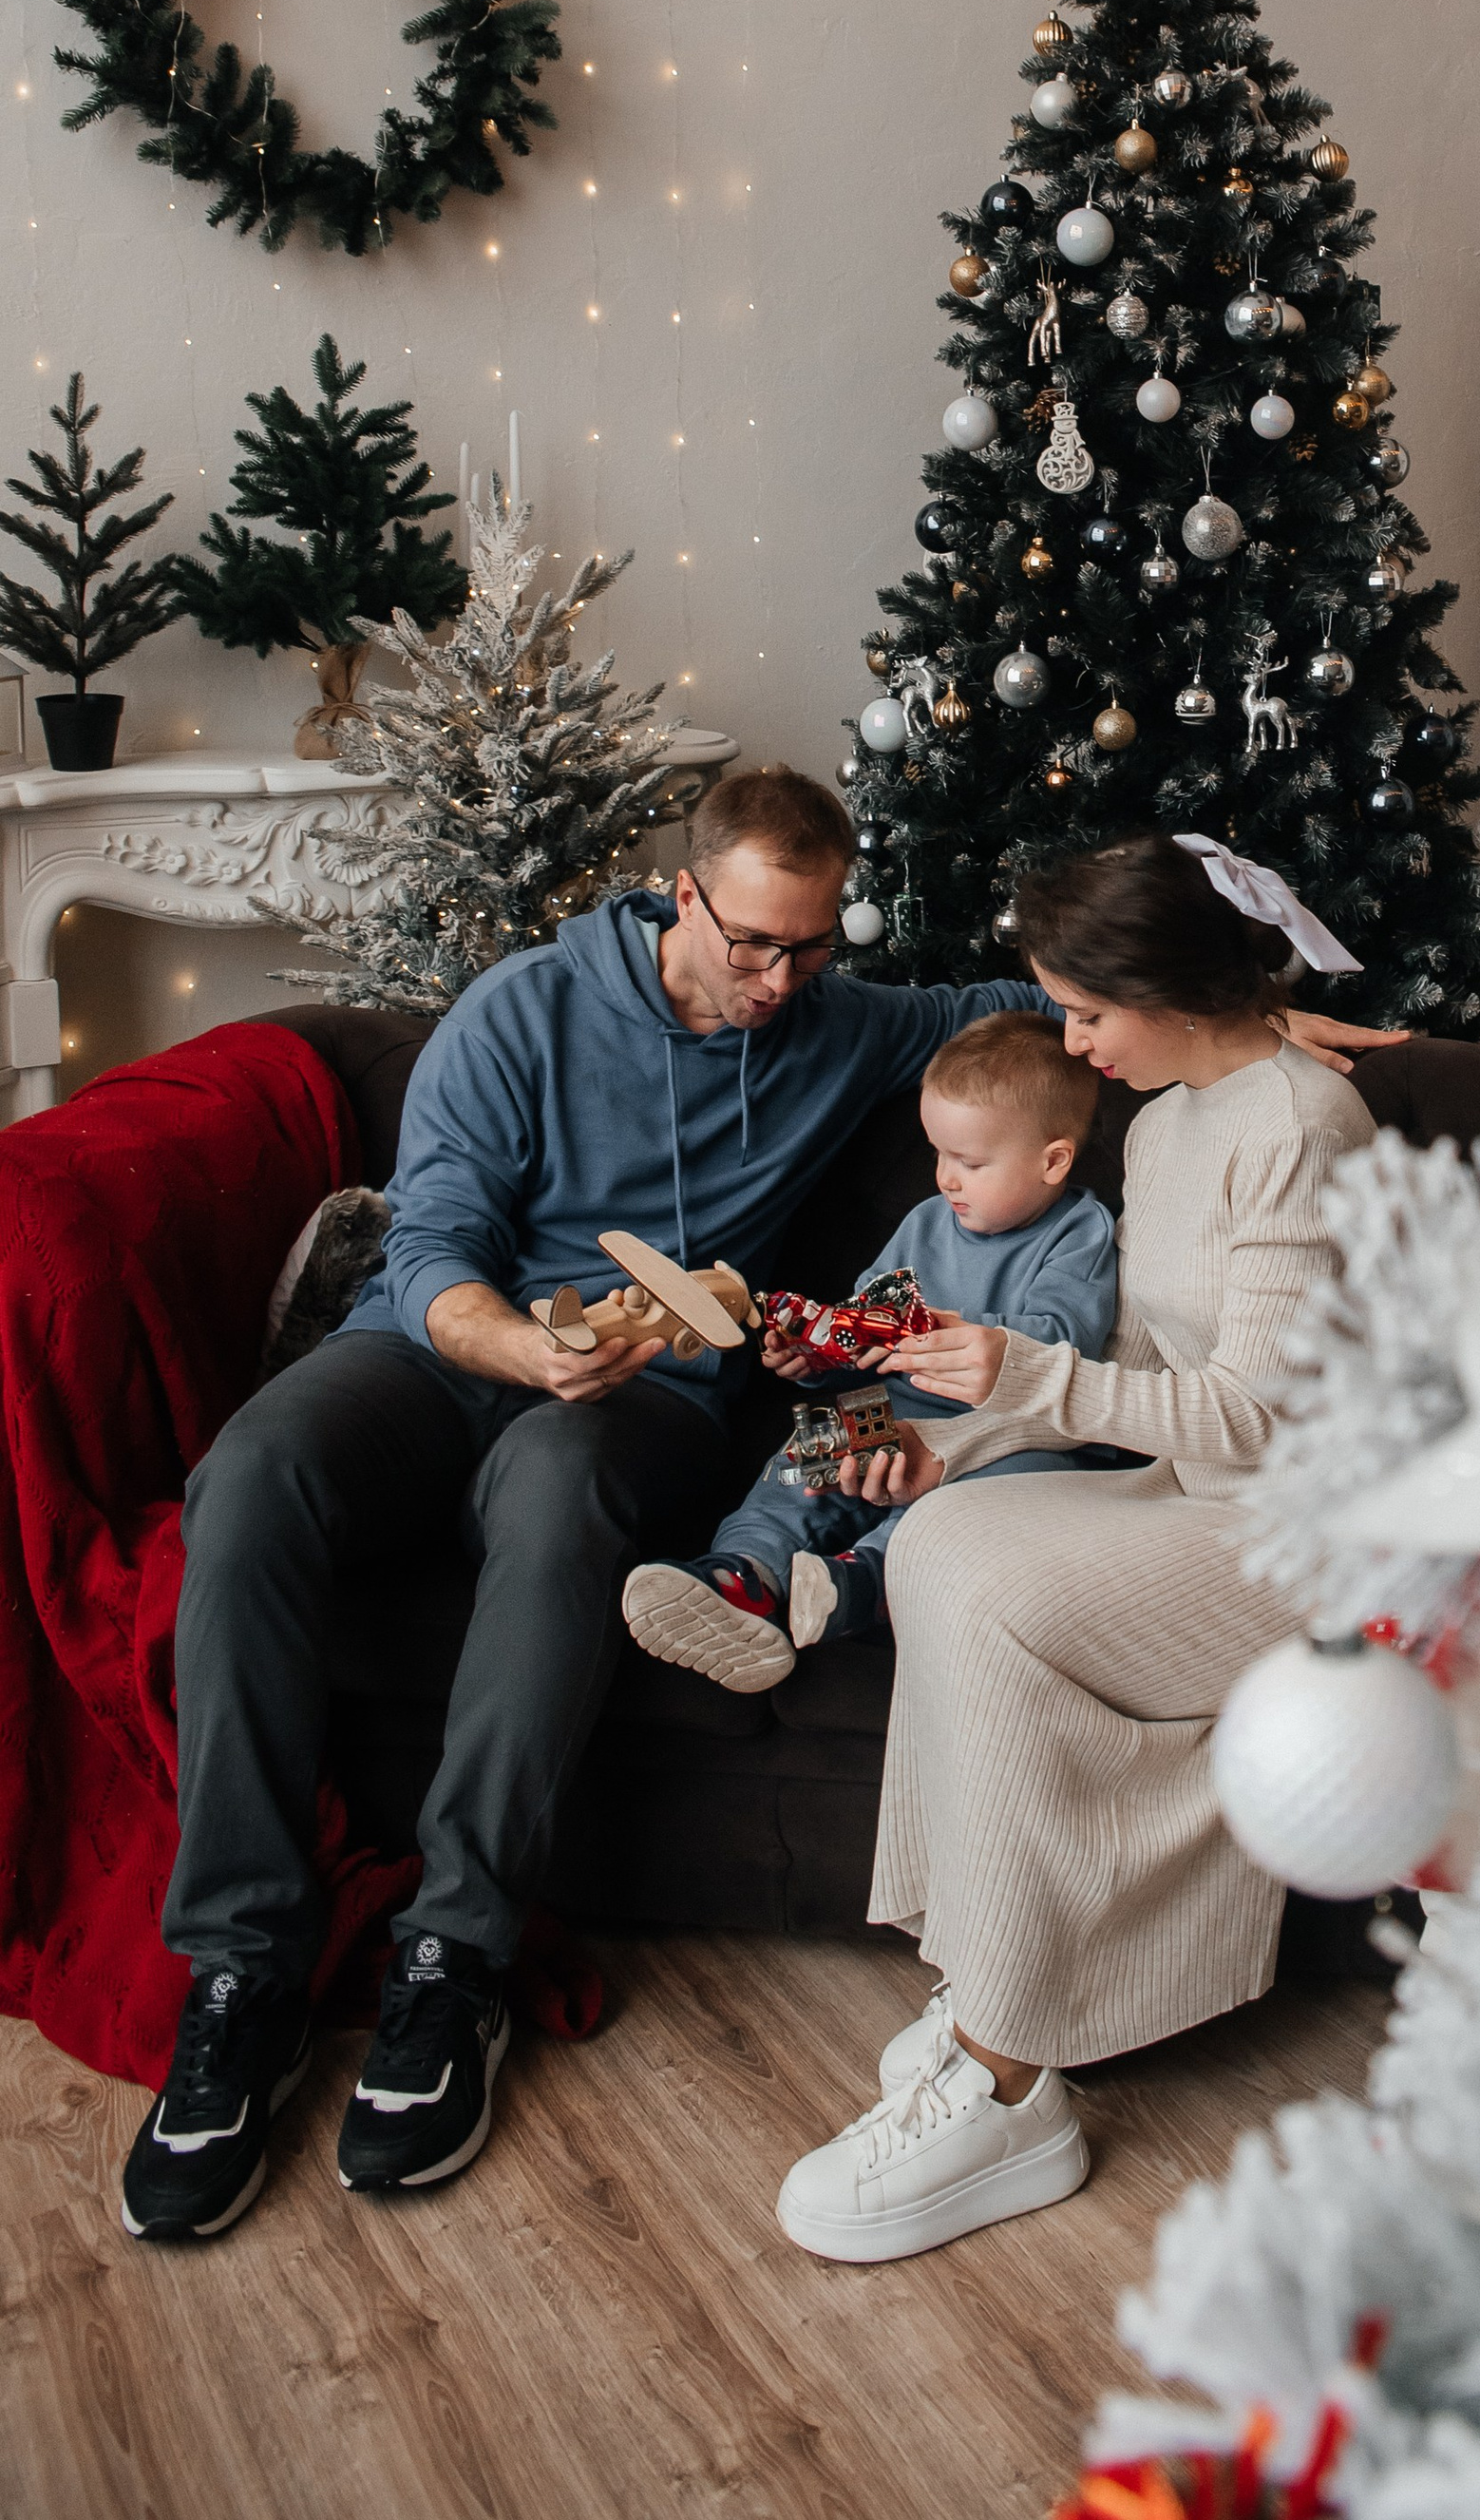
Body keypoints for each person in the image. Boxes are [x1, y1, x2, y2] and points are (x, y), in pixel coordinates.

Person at [117, 764, 1051, 2243]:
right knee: (252, 1473)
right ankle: (242, 1968)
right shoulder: (524, 1010)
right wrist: (517, 1342)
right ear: (683, 894)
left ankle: (453, 1961)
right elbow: (427, 1244)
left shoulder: (835, 1016)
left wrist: (1231, 1025)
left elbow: (1030, 1002)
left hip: (648, 1403)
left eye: (810, 946)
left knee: (553, 1492)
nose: (777, 979)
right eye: (751, 941)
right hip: (451, 1344)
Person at [771, 830, 1385, 2266]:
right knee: (940, 1536)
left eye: (1090, 1011)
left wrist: (1018, 1381)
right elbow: (1129, 1377)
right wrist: (950, 1445)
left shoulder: (1302, 1124)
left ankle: (999, 2074)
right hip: (1200, 1495)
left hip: (1309, 1526)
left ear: (1170, 991)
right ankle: (1003, 1991)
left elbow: (1250, 1414)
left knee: (989, 1591)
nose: (1073, 1039)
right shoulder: (1167, 1120)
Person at [620, 1011, 1117, 1684]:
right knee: (808, 1449)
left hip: (1003, 1430)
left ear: (1052, 1159)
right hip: (895, 1409)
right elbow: (862, 1324)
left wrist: (928, 1325)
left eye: (970, 1162)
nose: (946, 1178)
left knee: (999, 1485)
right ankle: (744, 1577)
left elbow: (1063, 1338)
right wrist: (816, 1352)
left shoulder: (1079, 1230)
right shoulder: (925, 1222)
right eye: (938, 1153)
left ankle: (864, 1581)